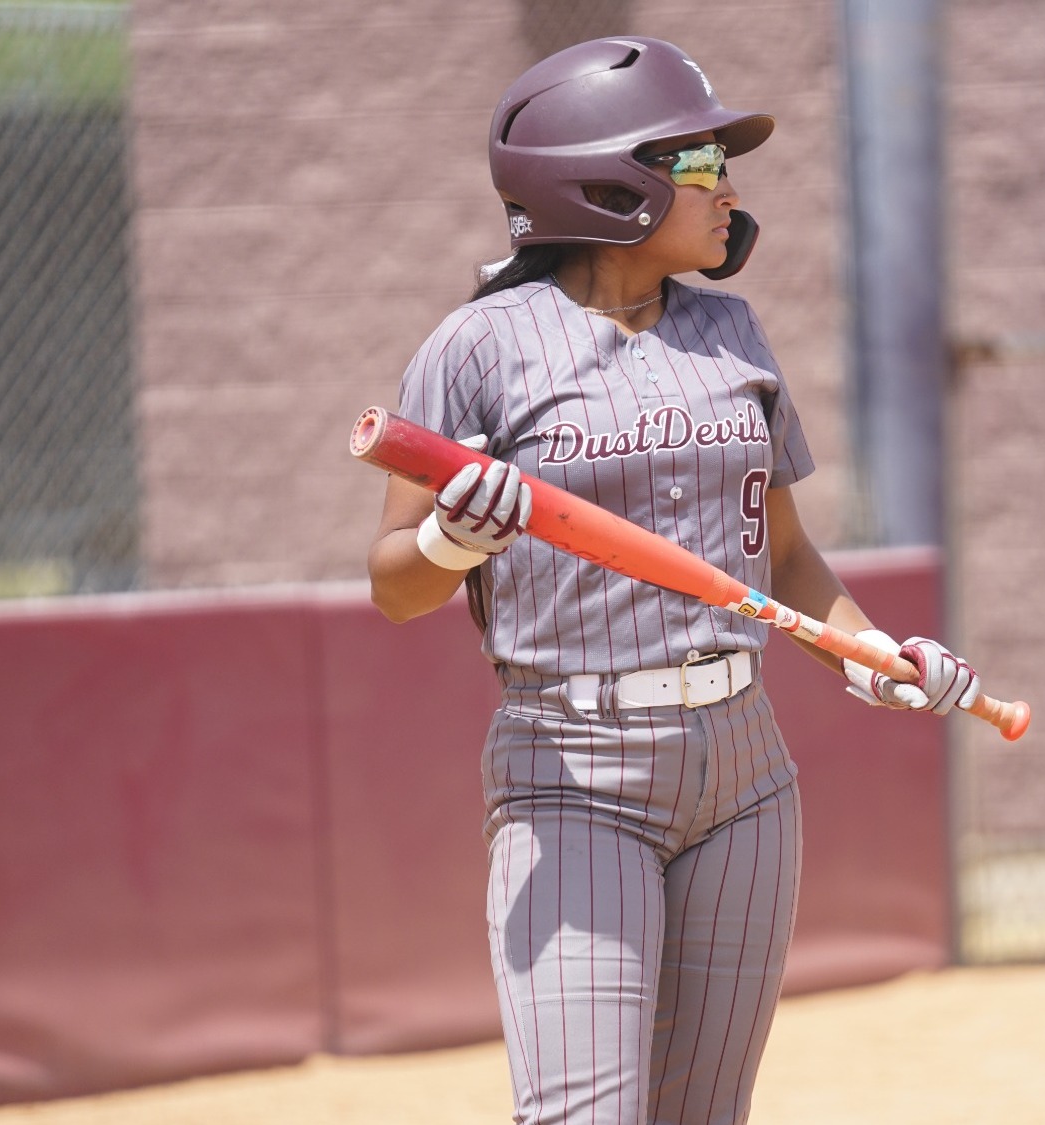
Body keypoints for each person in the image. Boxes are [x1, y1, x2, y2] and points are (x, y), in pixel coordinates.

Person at [365, 38, 982, 1125]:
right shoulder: (476, 348)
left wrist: (871, 656)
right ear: (604, 184)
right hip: (571, 771)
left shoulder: (729, 330)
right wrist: (455, 544)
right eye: (699, 162)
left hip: (744, 773)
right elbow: (392, 584)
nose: (727, 187)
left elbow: (782, 557)